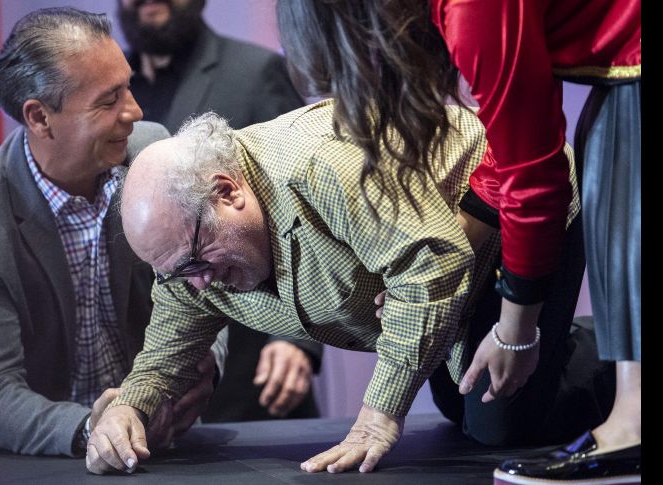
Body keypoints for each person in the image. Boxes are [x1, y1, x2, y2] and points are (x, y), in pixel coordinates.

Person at [87, 99, 576, 475]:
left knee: (501, 425)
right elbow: (166, 348)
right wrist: (128, 408)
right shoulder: (187, 252)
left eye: (195, 262)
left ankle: (617, 360)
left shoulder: (324, 166)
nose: (198, 282)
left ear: (227, 192)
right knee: (461, 408)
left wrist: (379, 413)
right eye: (176, 272)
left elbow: (433, 261)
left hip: (515, 216)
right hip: (446, 285)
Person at [274, 1, 640, 483]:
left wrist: (517, 328)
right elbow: (513, 153)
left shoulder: (471, 8)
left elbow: (534, 176)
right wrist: (461, 248)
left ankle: (630, 429)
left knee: (615, 161)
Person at [0, 7, 226, 457]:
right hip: (9, 456)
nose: (135, 111)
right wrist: (93, 429)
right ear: (40, 117)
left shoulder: (152, 153)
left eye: (128, 86)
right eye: (109, 100)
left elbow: (206, 285)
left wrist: (202, 367)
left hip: (151, 443)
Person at [115, 0, 321, 423]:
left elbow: (302, 203)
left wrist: (296, 342)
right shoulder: (116, 93)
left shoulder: (254, 71)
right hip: (159, 350)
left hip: (253, 367)